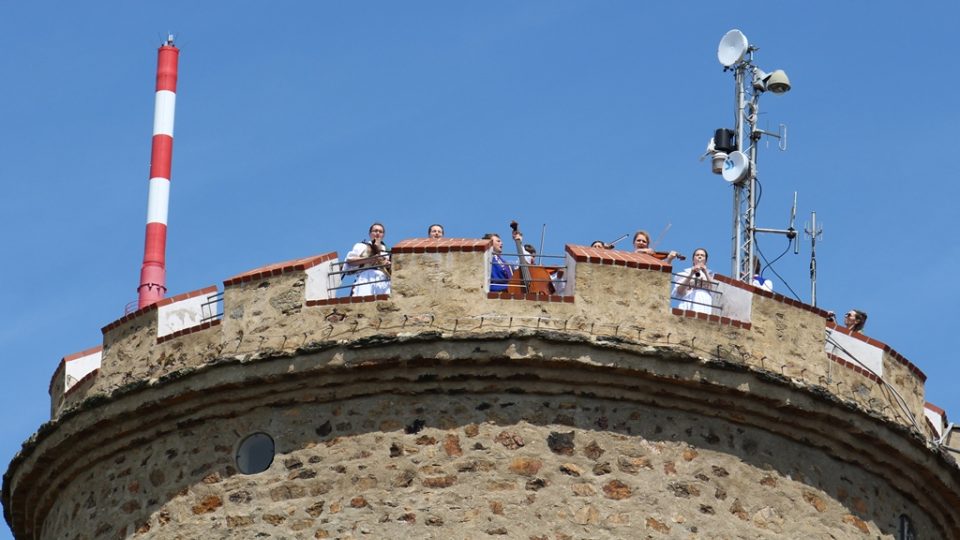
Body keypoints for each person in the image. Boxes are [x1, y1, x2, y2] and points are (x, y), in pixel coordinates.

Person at [345, 222, 391, 296]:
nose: (378, 233)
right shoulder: (361, 246)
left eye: (380, 231)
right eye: (375, 231)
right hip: (366, 277)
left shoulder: (387, 251)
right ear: (370, 234)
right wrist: (370, 259)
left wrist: (388, 265)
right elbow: (350, 261)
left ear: (383, 235)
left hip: (383, 280)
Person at [672, 247, 716, 314]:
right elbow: (679, 291)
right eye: (697, 255)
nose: (700, 257)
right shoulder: (684, 273)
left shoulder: (711, 275)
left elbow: (714, 290)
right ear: (693, 259)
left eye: (702, 255)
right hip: (688, 300)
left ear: (706, 260)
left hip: (704, 301)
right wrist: (691, 274)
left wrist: (705, 272)